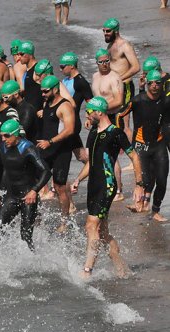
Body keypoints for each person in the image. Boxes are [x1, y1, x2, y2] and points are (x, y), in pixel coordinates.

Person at [71, 96, 143, 278]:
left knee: (90, 225)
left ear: (99, 112)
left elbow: (134, 156)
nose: (86, 115)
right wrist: (78, 179)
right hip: (93, 186)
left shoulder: (115, 133)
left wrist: (139, 185)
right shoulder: (93, 133)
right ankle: (122, 269)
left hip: (107, 185)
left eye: (88, 111)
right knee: (102, 233)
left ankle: (87, 270)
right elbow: (91, 162)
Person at [0, 119, 52, 251]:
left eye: (7, 136)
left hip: (28, 197)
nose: (3, 139)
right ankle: (5, 258)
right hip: (12, 196)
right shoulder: (2, 148)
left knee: (25, 235)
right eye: (1, 135)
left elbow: (46, 171)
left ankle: (33, 260)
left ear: (16, 134)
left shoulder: (27, 148)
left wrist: (34, 191)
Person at [127, 71, 170, 220]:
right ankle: (140, 204)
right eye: (151, 83)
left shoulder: (166, 101)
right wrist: (120, 139)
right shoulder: (138, 100)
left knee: (162, 180)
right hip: (141, 146)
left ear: (161, 84)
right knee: (144, 179)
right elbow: (120, 115)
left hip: (158, 145)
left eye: (157, 83)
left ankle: (155, 210)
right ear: (147, 83)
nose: (154, 86)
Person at [37, 75, 78, 228]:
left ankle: (64, 221)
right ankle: (37, 217)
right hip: (46, 149)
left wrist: (51, 142)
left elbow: (70, 130)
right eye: (42, 91)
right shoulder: (47, 102)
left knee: (59, 186)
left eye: (46, 91)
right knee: (38, 180)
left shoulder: (65, 106)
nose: (43, 94)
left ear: (55, 89)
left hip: (61, 151)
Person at [91, 49, 126, 201]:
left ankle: (118, 190)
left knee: (112, 155)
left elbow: (119, 101)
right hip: (98, 118)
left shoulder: (115, 77)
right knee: (97, 152)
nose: (105, 64)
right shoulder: (94, 76)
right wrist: (90, 115)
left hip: (112, 116)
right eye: (101, 62)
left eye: (107, 61)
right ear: (96, 62)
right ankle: (105, 183)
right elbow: (94, 100)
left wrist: (101, 109)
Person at [104, 18, 141, 133]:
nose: (105, 34)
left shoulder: (125, 45)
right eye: (104, 31)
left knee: (124, 124)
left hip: (125, 87)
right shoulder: (110, 46)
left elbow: (136, 67)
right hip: (114, 88)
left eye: (108, 31)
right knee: (114, 121)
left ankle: (133, 151)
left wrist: (119, 79)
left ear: (116, 31)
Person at [18, 41, 43, 111]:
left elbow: (49, 90)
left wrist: (44, 110)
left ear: (30, 54)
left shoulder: (37, 70)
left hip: (37, 113)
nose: (19, 57)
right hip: (29, 112)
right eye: (18, 54)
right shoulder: (27, 70)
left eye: (21, 54)